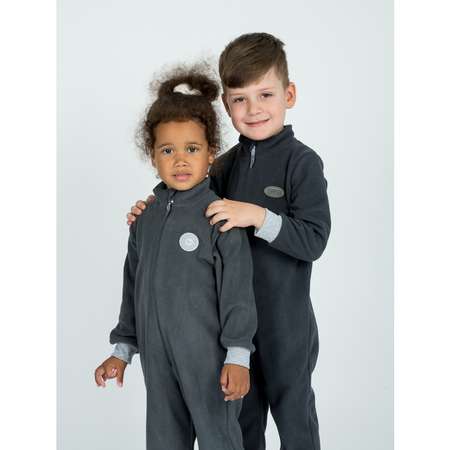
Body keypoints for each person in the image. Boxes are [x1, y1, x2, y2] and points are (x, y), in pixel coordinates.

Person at [126, 33, 331, 450]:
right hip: (229, 330)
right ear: (226, 105)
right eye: (240, 99)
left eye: (265, 95)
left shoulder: (302, 163)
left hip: (283, 323)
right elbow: (187, 197)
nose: (254, 110)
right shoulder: (221, 167)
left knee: (294, 417)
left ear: (289, 95)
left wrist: (256, 216)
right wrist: (151, 209)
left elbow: (314, 240)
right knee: (243, 422)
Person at [94, 63, 258, 450]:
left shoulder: (220, 216)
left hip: (210, 362)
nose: (180, 160)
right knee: (164, 440)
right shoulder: (145, 220)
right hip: (158, 360)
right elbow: (133, 286)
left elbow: (237, 293)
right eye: (167, 150)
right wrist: (122, 350)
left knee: (220, 439)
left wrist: (238, 356)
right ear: (152, 156)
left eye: (192, 149)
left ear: (211, 154)